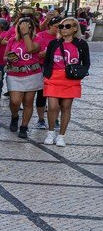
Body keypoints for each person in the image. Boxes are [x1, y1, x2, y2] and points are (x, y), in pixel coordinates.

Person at [42, 16, 90, 147]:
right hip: (53, 78)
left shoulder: (81, 44)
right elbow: (47, 61)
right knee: (52, 107)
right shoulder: (54, 43)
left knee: (66, 107)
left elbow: (86, 62)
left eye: (67, 26)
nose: (63, 29)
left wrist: (80, 74)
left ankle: (61, 136)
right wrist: (46, 75)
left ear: (75, 28)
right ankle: (50, 133)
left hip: (71, 80)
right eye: (61, 26)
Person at [4, 15, 42, 139]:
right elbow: (4, 57)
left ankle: (24, 127)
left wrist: (26, 35)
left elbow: (30, 49)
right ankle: (14, 116)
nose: (25, 29)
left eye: (28, 27)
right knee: (15, 101)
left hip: (32, 74)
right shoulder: (12, 41)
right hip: (14, 74)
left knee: (28, 102)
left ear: (32, 28)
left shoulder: (38, 39)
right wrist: (9, 58)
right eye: (22, 27)